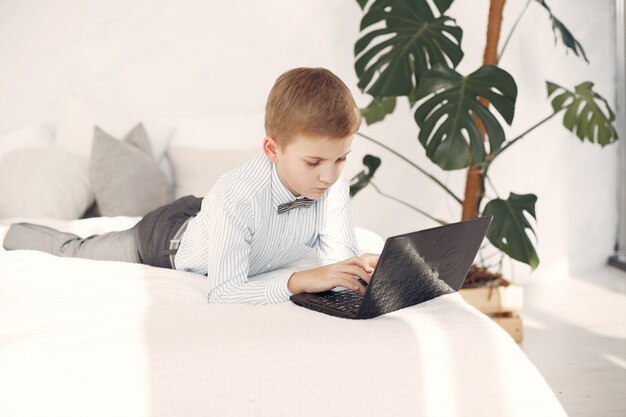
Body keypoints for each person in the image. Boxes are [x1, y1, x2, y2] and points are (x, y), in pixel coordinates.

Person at [3, 67, 379, 304]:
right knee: (77, 251)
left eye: (341, 159)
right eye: (313, 163)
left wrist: (361, 270)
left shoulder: (332, 187)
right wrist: (298, 280)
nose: (329, 176)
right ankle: (13, 232)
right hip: (167, 238)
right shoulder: (238, 195)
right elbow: (224, 291)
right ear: (272, 150)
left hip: (208, 214)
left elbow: (337, 263)